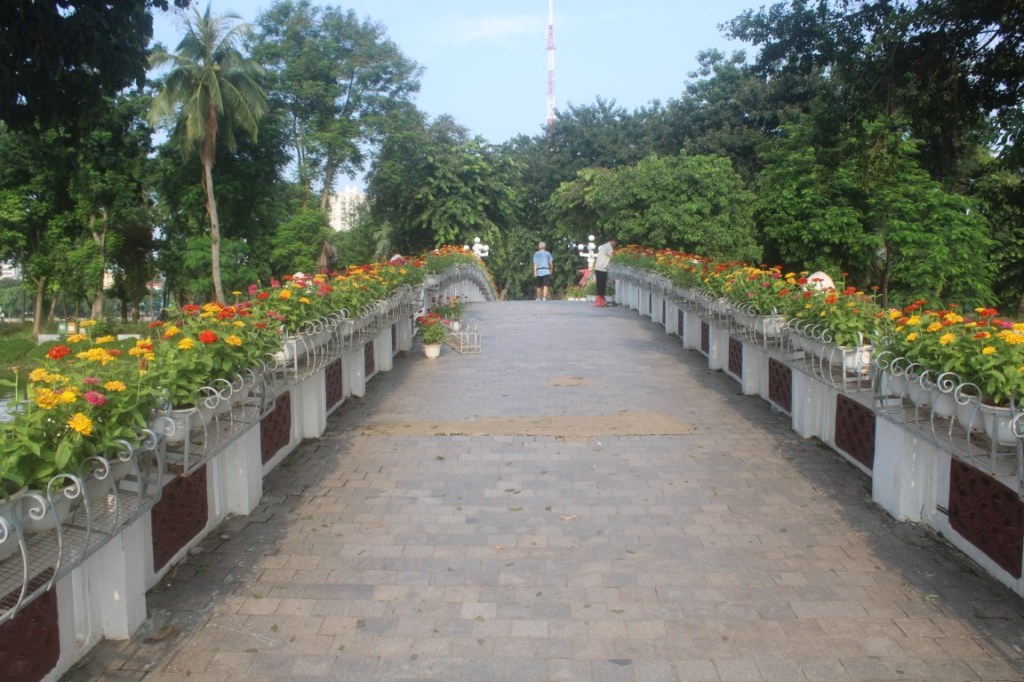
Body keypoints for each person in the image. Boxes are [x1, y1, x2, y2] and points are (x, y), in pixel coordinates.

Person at [594, 237, 617, 307]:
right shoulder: (609, 247)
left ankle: (600, 300)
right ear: (613, 241)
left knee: (599, 284)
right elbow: (613, 256)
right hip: (602, 268)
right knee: (602, 284)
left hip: (598, 267)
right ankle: (600, 301)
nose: (615, 245)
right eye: (616, 243)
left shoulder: (604, 246)